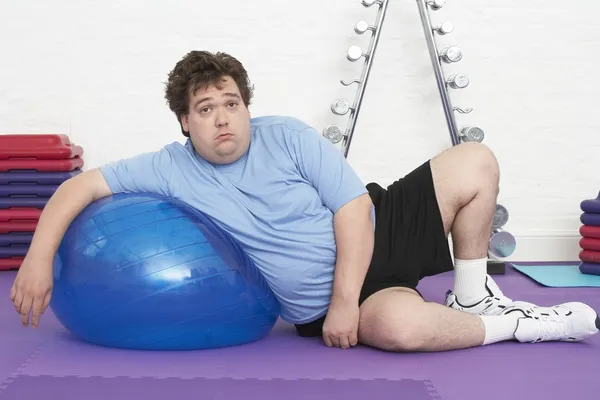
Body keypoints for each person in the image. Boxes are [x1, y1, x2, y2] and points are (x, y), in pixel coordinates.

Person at [10, 50, 599, 351]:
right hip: (325, 301)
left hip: (376, 226)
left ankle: (474, 297)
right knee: (400, 331)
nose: (222, 118)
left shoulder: (286, 133)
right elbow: (78, 186)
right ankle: (521, 329)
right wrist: (39, 259)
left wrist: (346, 299)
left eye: (231, 102)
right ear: (184, 122)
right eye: (206, 108)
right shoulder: (168, 167)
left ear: (247, 105)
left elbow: (351, 209)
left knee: (476, 160)